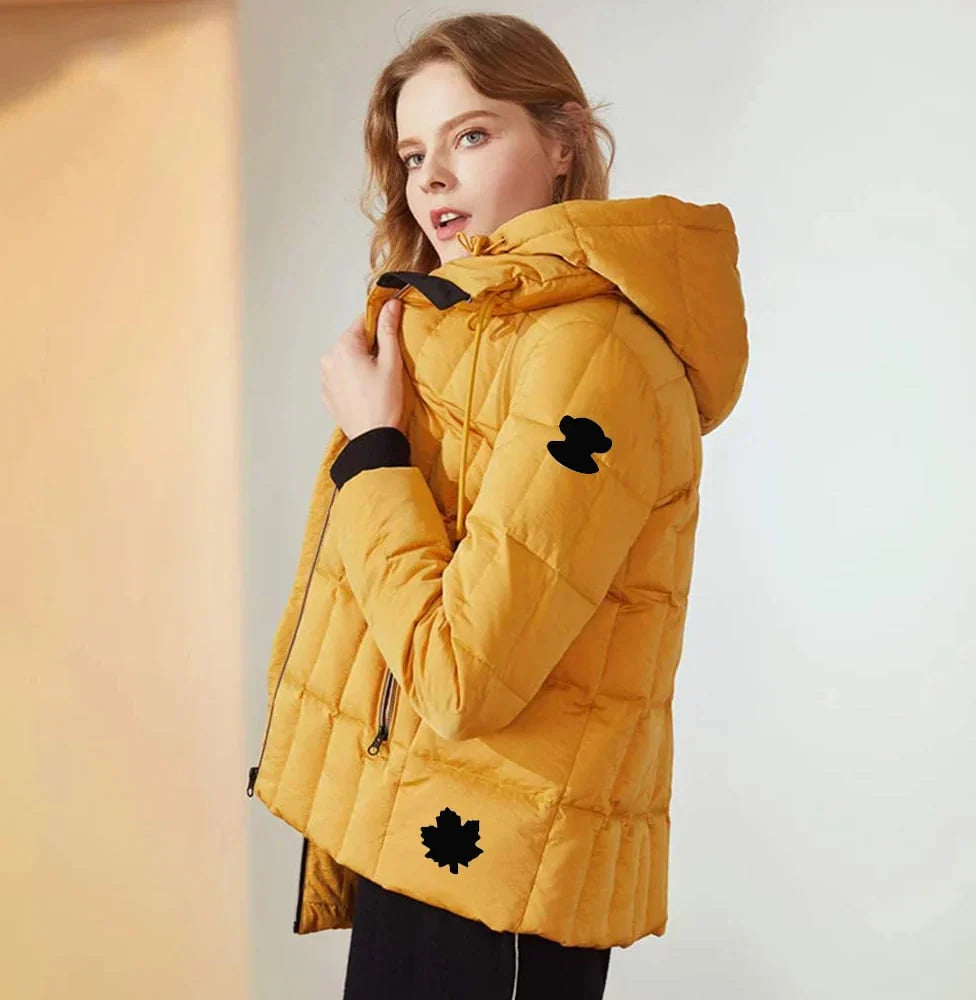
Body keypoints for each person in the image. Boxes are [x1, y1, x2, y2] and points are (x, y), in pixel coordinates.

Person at [246, 12, 748, 1000]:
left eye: (470, 135)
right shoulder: (477, 336)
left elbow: (462, 678)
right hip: (428, 841)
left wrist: (374, 448)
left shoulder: (591, 352)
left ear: (563, 142)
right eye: (413, 154)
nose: (432, 178)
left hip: (497, 880)